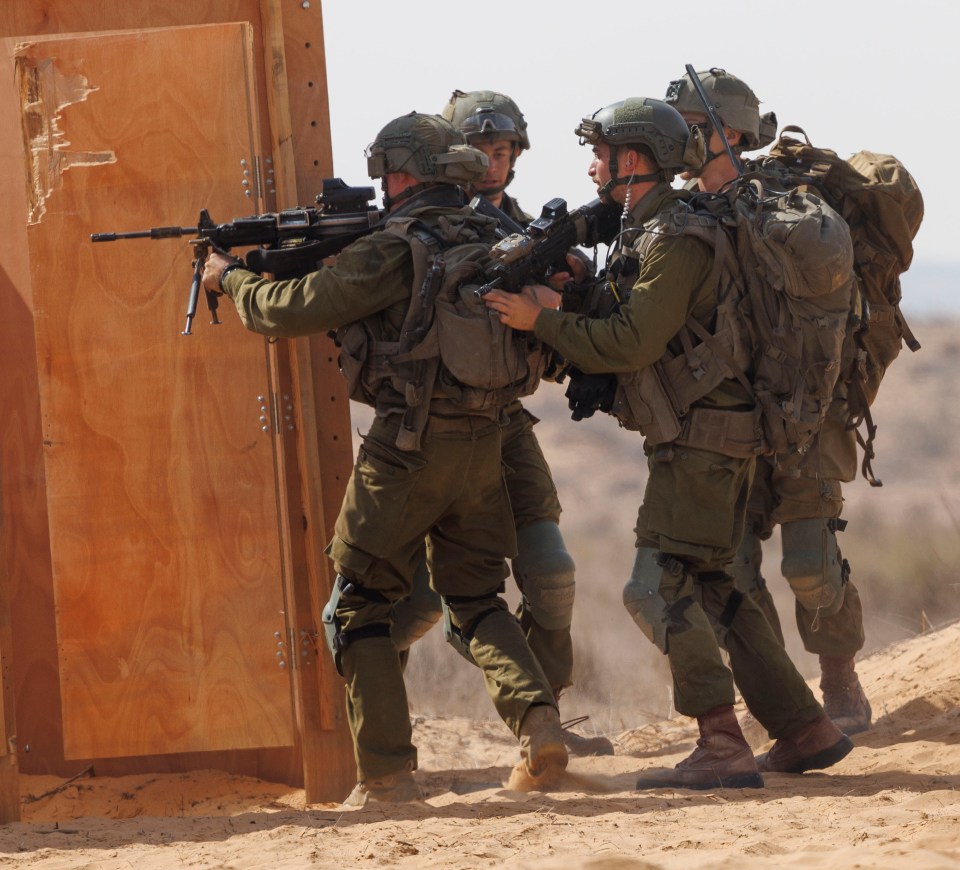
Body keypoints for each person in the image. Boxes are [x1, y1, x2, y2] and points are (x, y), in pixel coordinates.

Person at [483, 96, 854, 789]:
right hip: (711, 437)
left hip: (704, 443)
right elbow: (642, 316)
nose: (592, 165)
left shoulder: (678, 238)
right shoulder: (654, 230)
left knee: (657, 586)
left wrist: (541, 321)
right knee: (718, 587)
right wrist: (577, 295)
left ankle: (720, 741)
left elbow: (631, 342)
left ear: (631, 161)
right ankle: (804, 729)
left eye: (601, 153)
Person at [201, 111, 568, 805]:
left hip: (405, 451)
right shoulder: (493, 233)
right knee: (476, 600)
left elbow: (293, 308)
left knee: (358, 608)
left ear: (401, 173)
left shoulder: (394, 248)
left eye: (387, 173)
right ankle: (539, 720)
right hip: (486, 445)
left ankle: (388, 777)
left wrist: (231, 280)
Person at [389, 90, 614, 757]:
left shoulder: (526, 228)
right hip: (428, 428)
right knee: (419, 604)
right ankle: (368, 723)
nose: (490, 163)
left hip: (504, 423)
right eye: (479, 150)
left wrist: (561, 292)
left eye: (502, 150)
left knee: (551, 573)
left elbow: (564, 328)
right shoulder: (420, 222)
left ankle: (543, 723)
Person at [664, 67, 872, 735]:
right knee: (737, 576)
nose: (681, 142)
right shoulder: (676, 216)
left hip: (804, 411)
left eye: (692, 130)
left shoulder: (790, 206)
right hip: (725, 418)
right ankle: (789, 703)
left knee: (811, 566)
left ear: (730, 134)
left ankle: (840, 676)